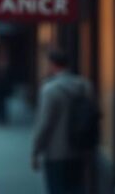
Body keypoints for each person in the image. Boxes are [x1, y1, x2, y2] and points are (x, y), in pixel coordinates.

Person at [32, 50, 96, 194]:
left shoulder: (49, 90)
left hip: (56, 152)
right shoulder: (84, 85)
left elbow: (44, 124)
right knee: (77, 187)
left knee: (57, 188)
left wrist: (36, 150)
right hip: (80, 147)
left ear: (52, 65)